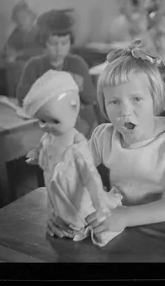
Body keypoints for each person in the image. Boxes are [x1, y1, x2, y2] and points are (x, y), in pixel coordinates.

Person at [46, 40, 165, 238]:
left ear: (155, 98)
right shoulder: (102, 136)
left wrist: (127, 215)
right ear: (104, 106)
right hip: (126, 232)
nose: (125, 111)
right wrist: (64, 211)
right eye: (114, 101)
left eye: (136, 99)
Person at [23, 70, 124, 246]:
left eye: (55, 121)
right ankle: (62, 222)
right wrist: (36, 154)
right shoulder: (48, 138)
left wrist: (100, 205)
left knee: (79, 216)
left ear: (74, 108)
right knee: (59, 212)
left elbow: (91, 178)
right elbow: (42, 147)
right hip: (57, 193)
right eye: (42, 121)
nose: (48, 127)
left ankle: (78, 225)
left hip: (77, 198)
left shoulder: (77, 147)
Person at [16, 9, 98, 138]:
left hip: (78, 128)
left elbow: (91, 98)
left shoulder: (77, 64)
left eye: (64, 43)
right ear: (44, 43)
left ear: (71, 43)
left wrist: (81, 86)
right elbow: (21, 97)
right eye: (53, 43)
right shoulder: (34, 65)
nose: (59, 49)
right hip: (45, 127)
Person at [3, 0, 44, 97]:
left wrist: (20, 53)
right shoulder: (16, 32)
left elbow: (42, 51)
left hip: (33, 69)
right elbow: (8, 46)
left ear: (31, 17)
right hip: (15, 70)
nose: (20, 20)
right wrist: (8, 52)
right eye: (18, 18)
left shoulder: (38, 32)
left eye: (24, 17)